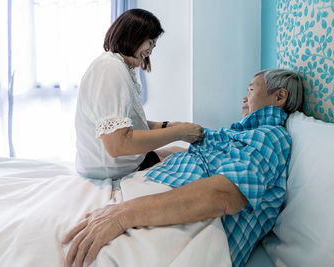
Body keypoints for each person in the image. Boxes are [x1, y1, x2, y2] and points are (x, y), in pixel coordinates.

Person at [63, 69, 304, 267]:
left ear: (279, 97)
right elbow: (200, 159)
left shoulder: (270, 137)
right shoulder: (241, 134)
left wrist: (123, 214)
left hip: (191, 224)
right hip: (149, 190)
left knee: (71, 247)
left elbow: (221, 195)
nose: (244, 97)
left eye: (251, 89)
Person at [75, 8, 203, 180]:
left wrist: (166, 126)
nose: (150, 51)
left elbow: (124, 123)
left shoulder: (116, 66)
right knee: (193, 162)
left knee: (180, 152)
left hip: (126, 163)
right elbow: (117, 144)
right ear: (134, 36)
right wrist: (179, 133)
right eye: (150, 43)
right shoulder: (110, 69)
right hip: (114, 171)